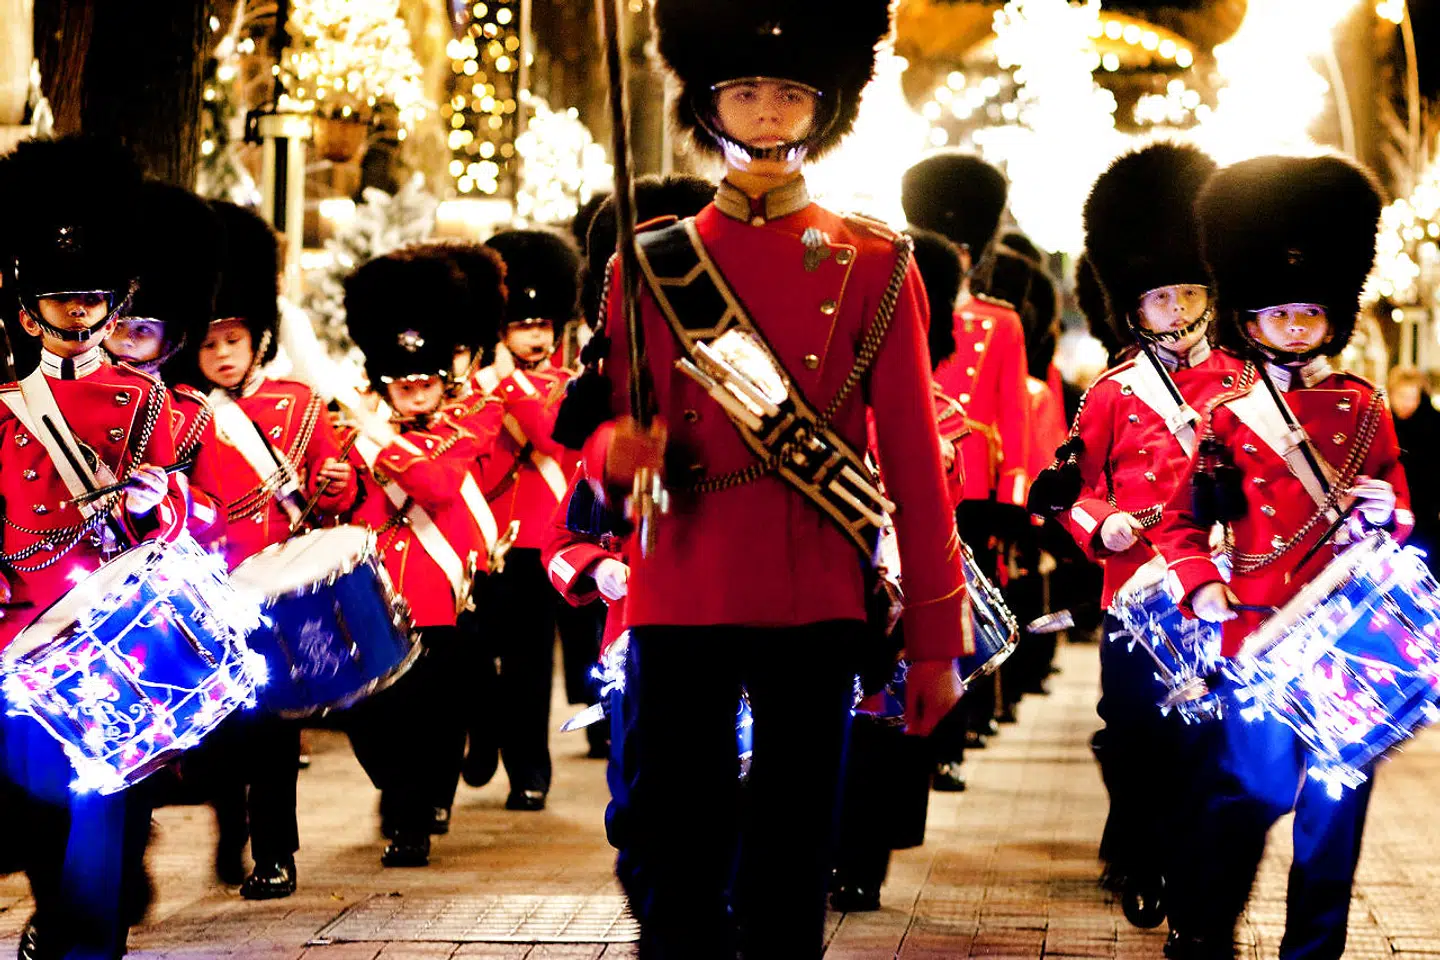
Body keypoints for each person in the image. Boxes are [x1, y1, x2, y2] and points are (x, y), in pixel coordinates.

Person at [582, 2, 968, 955]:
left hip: (816, 596)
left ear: (822, 108)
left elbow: (914, 464)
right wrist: (615, 454)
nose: (765, 112)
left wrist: (933, 642)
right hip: (681, 582)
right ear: (710, 101)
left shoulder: (877, 261)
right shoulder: (651, 260)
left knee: (793, 861)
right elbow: (607, 427)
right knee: (677, 852)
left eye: (789, 93)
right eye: (746, 90)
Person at [1153, 153, 1411, 960]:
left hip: (1346, 644)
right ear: (1249, 323)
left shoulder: (1365, 407)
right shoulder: (1224, 417)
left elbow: (1399, 506)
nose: (1295, 328)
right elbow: (1178, 523)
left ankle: (1313, 953)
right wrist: (1200, 587)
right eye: (1277, 316)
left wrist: (1392, 513)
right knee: (1253, 790)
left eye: (1309, 313)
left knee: (1337, 804)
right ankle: (1205, 922)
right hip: (1258, 635)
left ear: (1332, 317)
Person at [1026, 141, 1243, 929]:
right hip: (1134, 590)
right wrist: (1099, 524)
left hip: (1217, 593)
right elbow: (1071, 493)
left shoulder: (1247, 387)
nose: (1177, 314)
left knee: (1207, 741)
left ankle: (1190, 875)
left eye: (1189, 296)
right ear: (1135, 309)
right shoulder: (1112, 394)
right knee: (1133, 734)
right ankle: (1144, 845)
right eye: (1160, 301)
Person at [0, 134, 188, 960]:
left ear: (114, 305)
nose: (77, 317)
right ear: (25, 308)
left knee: (111, 796)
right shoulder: (4, 403)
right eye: (60, 300)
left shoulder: (145, 396)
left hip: (113, 626)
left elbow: (173, 519)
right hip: (20, 620)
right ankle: (61, 906)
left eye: (91, 301)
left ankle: (92, 934)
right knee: (38, 794)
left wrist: (153, 502)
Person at [173, 200, 357, 901]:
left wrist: (338, 485)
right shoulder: (181, 414)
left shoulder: (299, 403)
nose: (222, 354)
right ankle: (232, 830)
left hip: (280, 593)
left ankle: (276, 853)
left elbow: (333, 495)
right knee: (221, 735)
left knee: (276, 734)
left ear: (259, 339)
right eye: (210, 342)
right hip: (211, 590)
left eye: (234, 339)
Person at [341, 246, 507, 867]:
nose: (413, 393)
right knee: (372, 717)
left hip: (445, 589)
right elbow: (343, 502)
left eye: (424, 382)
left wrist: (373, 438)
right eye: (402, 384)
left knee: (433, 713)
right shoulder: (357, 425)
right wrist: (336, 476)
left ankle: (411, 819)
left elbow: (436, 485)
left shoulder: (476, 416)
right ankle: (404, 793)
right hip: (379, 593)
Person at [901, 152, 1030, 780]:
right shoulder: (902, 308)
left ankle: (951, 739)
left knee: (966, 616)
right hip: (910, 476)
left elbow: (1013, 412)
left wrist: (1013, 493)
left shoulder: (999, 322)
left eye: (961, 244)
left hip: (973, 483)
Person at [460, 229, 582, 811]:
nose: (532, 334)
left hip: (537, 540)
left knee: (532, 666)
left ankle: (530, 770)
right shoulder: (476, 389)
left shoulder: (567, 387)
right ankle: (483, 734)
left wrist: (504, 382)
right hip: (481, 540)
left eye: (541, 325)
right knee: (476, 659)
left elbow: (549, 437)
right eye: (520, 324)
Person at [1388, 367, 1440, 568]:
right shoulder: (1383, 423)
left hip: (1427, 512)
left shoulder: (1434, 425)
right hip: (1394, 510)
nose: (1406, 403)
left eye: (1412, 396)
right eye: (1401, 396)